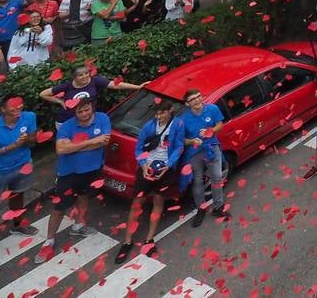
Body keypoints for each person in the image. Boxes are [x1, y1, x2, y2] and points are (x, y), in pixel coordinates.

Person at [117, 100, 184, 262]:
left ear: (170, 110)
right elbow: (139, 148)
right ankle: (127, 241)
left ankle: (149, 239)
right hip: (147, 167)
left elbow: (179, 147)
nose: (158, 116)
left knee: (158, 201)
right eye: (157, 113)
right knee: (136, 203)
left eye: (162, 113)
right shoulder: (148, 126)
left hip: (165, 169)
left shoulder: (178, 124)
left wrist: (168, 165)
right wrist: (143, 165)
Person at [43, 96, 109, 250]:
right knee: (59, 207)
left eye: (87, 110)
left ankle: (78, 225)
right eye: (80, 112)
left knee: (84, 197)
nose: (84, 114)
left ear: (92, 107)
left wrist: (74, 146)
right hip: (69, 173)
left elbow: (105, 141)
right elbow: (61, 149)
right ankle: (49, 239)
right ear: (75, 112)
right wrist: (92, 142)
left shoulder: (103, 118)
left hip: (92, 170)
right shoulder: (67, 127)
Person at [0, 97, 37, 237]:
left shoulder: (29, 117)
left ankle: (17, 225)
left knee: (17, 195)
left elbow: (34, 141)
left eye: (19, 105)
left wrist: (27, 139)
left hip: (23, 166)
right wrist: (9, 148)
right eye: (13, 106)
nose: (17, 109)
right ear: (3, 109)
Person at [179, 88, 229, 227]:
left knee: (217, 178)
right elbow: (181, 140)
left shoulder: (212, 109)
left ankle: (218, 207)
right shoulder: (183, 119)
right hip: (194, 153)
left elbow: (220, 124)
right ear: (187, 104)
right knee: (198, 181)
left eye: (199, 96)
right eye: (193, 99)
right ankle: (201, 209)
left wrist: (211, 130)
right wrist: (192, 141)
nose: (197, 100)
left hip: (212, 148)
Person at [39, 63, 144, 123]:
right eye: (80, 75)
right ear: (74, 77)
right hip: (67, 120)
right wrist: (60, 101)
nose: (85, 76)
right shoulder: (67, 85)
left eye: (86, 73)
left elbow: (115, 84)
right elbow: (43, 94)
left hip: (87, 119)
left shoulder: (95, 80)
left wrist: (137, 87)